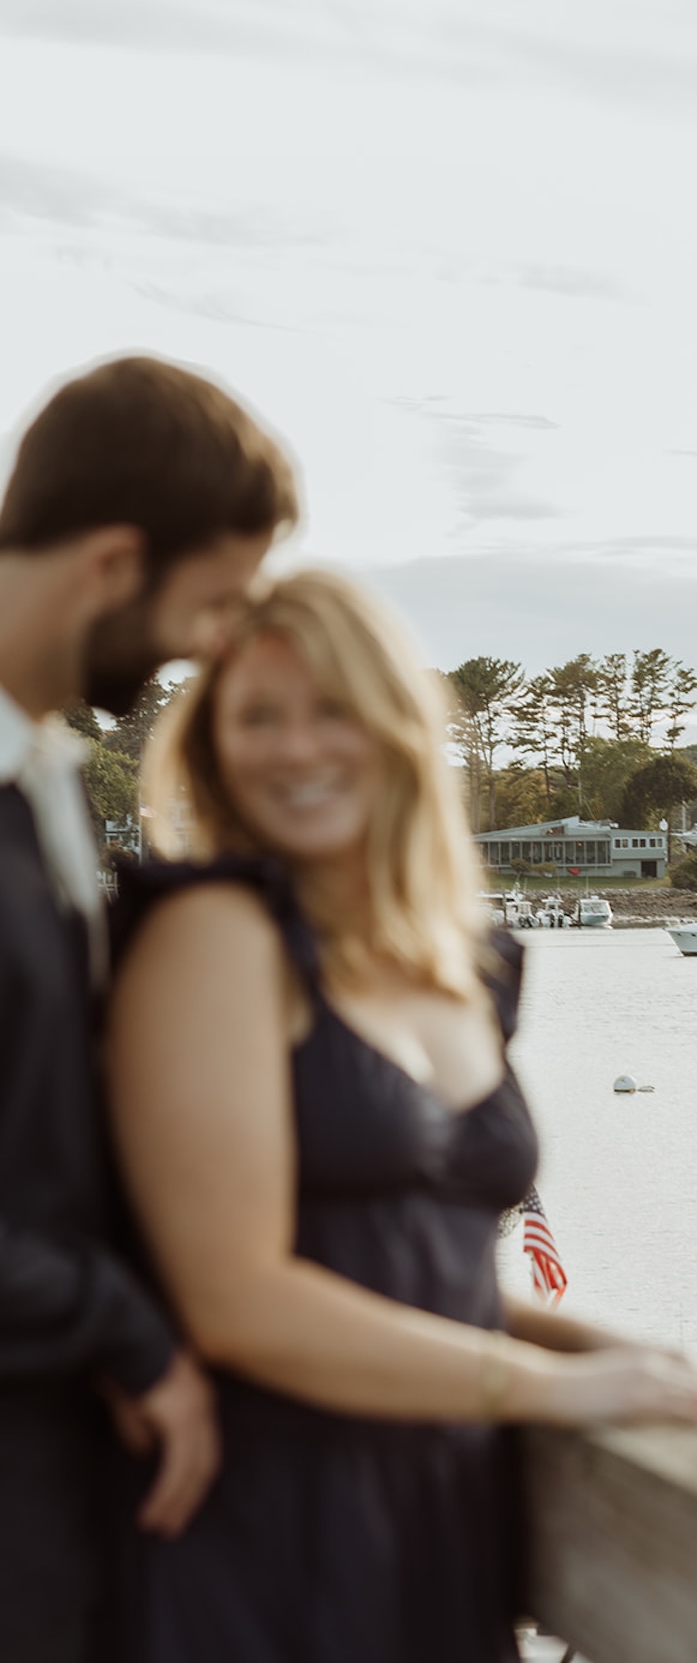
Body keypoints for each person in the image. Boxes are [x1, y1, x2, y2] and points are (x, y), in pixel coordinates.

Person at [106, 569, 697, 1663]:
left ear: (399, 730)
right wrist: (553, 1383)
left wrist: (611, 1350)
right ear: (212, 747)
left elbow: (411, 1269)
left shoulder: (465, 964)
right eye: (258, 717)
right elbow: (233, 1298)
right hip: (267, 1527)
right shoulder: (215, 934)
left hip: (441, 1522)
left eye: (332, 710)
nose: (297, 749)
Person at [0, 353, 298, 1662]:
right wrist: (130, 1334)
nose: (219, 643)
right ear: (115, 562)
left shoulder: (46, 773)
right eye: (217, 599)